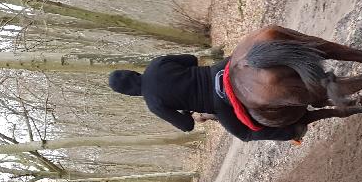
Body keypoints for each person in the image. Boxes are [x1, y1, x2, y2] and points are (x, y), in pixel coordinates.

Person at [108, 55, 304, 142]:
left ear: (129, 93)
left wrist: (184, 107)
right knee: (244, 57)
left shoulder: (153, 103)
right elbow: (191, 59)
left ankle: (293, 131)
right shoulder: (156, 64)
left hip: (216, 101)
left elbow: (187, 125)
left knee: (245, 135)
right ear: (132, 72)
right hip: (217, 71)